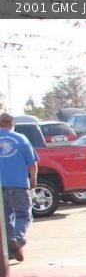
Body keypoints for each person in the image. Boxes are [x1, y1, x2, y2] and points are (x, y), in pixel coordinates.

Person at [0, 111, 38, 262]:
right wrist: (33, 179)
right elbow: (33, 164)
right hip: (18, 185)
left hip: (1, 186)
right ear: (12, 124)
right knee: (24, 214)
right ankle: (18, 239)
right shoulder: (21, 139)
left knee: (5, 219)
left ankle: (9, 251)